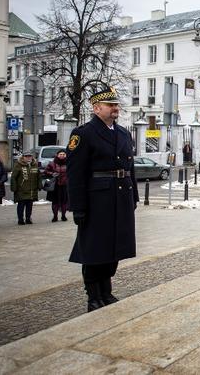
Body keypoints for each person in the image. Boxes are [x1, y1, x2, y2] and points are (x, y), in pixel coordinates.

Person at [66, 87, 139, 312]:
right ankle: (93, 295)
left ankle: (106, 292)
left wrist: (134, 196)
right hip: (97, 200)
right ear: (96, 108)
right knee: (95, 249)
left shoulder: (124, 133)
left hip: (121, 197)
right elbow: (75, 174)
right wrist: (78, 207)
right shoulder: (83, 134)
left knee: (114, 248)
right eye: (110, 105)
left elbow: (130, 167)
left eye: (116, 105)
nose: (115, 108)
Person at [11, 150, 40, 225]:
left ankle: (28, 219)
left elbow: (38, 176)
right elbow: (13, 177)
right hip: (21, 189)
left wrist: (39, 185)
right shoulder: (18, 165)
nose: (28, 158)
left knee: (29, 205)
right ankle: (20, 219)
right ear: (23, 157)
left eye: (29, 156)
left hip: (32, 190)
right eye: (26, 156)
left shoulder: (35, 164)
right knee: (21, 205)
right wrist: (14, 188)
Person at [44, 149, 69, 222]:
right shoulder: (52, 163)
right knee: (55, 202)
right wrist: (52, 173)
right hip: (55, 185)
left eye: (63, 154)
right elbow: (45, 171)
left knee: (64, 201)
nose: (62, 156)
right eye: (60, 154)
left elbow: (73, 172)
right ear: (57, 155)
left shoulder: (68, 163)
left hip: (65, 185)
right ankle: (55, 216)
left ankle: (63, 216)